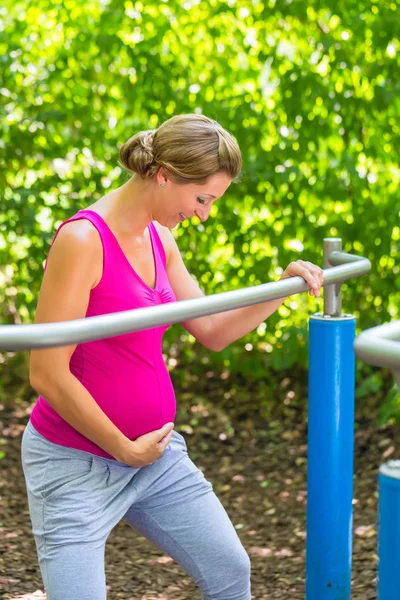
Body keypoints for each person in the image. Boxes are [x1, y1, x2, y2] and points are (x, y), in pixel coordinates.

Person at [21, 113, 323, 600]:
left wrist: (282, 288)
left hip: (156, 457)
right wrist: (122, 447)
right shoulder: (82, 241)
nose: (204, 214)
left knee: (230, 571)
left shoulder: (161, 238)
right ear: (163, 175)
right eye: (202, 198)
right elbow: (46, 373)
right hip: (74, 463)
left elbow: (211, 330)